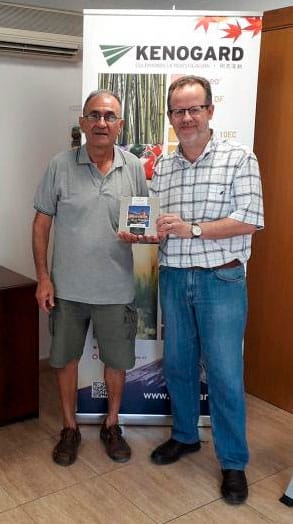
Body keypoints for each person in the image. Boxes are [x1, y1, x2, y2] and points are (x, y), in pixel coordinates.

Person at [149, 75, 263, 505]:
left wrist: (192, 229)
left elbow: (249, 220)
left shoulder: (239, 157)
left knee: (225, 374)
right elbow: (155, 222)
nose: (187, 117)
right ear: (170, 117)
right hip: (175, 277)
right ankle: (185, 436)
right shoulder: (163, 166)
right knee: (178, 365)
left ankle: (233, 462)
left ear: (210, 111)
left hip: (222, 279)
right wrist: (141, 232)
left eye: (194, 108)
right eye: (178, 111)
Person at [32, 89, 147, 467]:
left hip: (116, 289)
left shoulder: (133, 167)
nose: (101, 122)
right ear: (82, 122)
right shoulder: (60, 165)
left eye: (109, 116)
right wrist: (43, 277)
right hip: (67, 289)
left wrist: (141, 234)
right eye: (94, 115)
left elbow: (140, 220)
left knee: (116, 362)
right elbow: (41, 223)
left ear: (120, 125)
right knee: (65, 360)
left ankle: (112, 425)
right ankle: (70, 428)